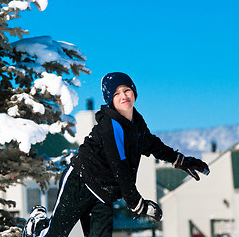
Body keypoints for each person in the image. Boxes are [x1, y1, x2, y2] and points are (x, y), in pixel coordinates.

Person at [22, 72, 210, 237]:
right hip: (80, 183)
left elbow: (151, 144)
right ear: (109, 99)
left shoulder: (136, 121)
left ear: (134, 91)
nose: (123, 96)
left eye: (126, 90)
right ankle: (37, 223)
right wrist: (138, 204)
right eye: (116, 93)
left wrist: (181, 161)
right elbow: (119, 167)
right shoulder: (110, 125)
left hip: (104, 193)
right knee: (56, 235)